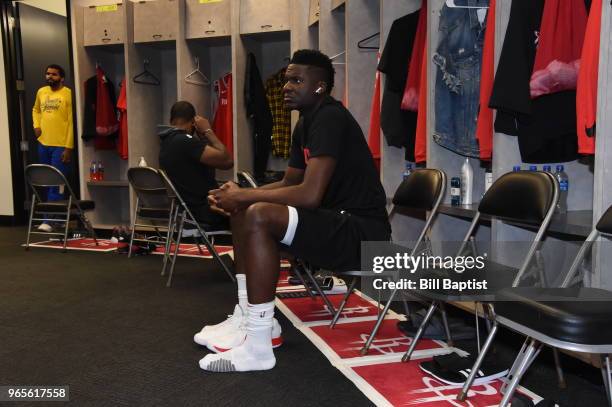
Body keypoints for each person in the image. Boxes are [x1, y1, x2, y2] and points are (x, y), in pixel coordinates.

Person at [196, 49, 391, 372]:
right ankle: (251, 319)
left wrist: (245, 197)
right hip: (335, 224)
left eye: (297, 80)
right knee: (245, 212)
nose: (286, 86)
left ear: (320, 86)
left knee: (257, 212)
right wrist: (239, 198)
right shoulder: (306, 123)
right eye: (287, 80)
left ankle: (258, 345)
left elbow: (310, 195)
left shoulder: (330, 117)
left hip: (363, 233)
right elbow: (290, 182)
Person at [158, 101, 233, 231]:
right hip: (206, 212)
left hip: (186, 212)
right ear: (193, 122)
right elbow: (227, 161)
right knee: (250, 209)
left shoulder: (166, 143)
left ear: (171, 120)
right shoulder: (186, 142)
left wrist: (201, 139)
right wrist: (208, 131)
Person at [32, 64, 73, 232]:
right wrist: (36, 126)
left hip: (61, 145)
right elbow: (36, 110)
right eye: (47, 74)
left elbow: (71, 121)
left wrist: (68, 148)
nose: (49, 77)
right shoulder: (41, 92)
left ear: (61, 78)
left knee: (57, 182)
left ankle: (48, 220)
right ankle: (59, 219)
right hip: (43, 143)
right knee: (46, 181)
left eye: (54, 75)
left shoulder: (68, 94)